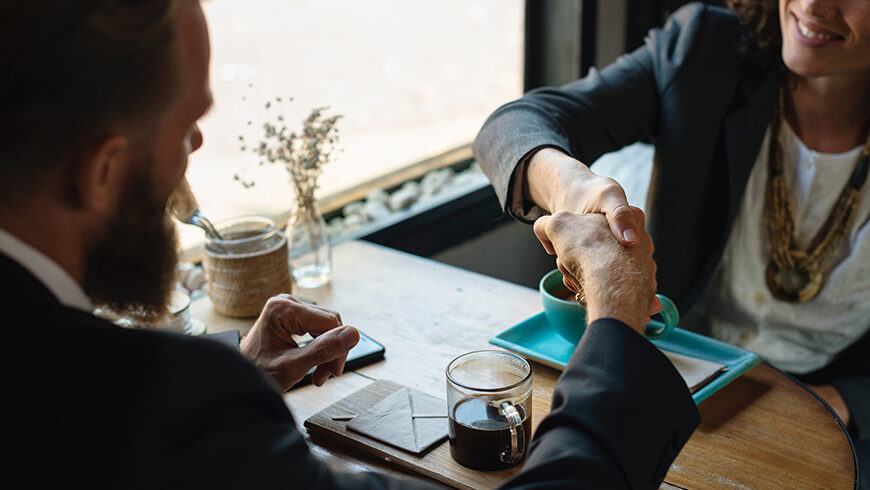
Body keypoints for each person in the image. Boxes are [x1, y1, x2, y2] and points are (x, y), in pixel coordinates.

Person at [2, 1, 700, 488]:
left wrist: (239, 376)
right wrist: (615, 317)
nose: (194, 153)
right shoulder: (158, 407)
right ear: (100, 171)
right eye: (187, 128)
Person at [473, 0, 869, 477]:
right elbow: (511, 126)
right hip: (673, 387)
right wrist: (571, 187)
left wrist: (847, 402)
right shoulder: (709, 48)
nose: (812, 5)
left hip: (830, 420)